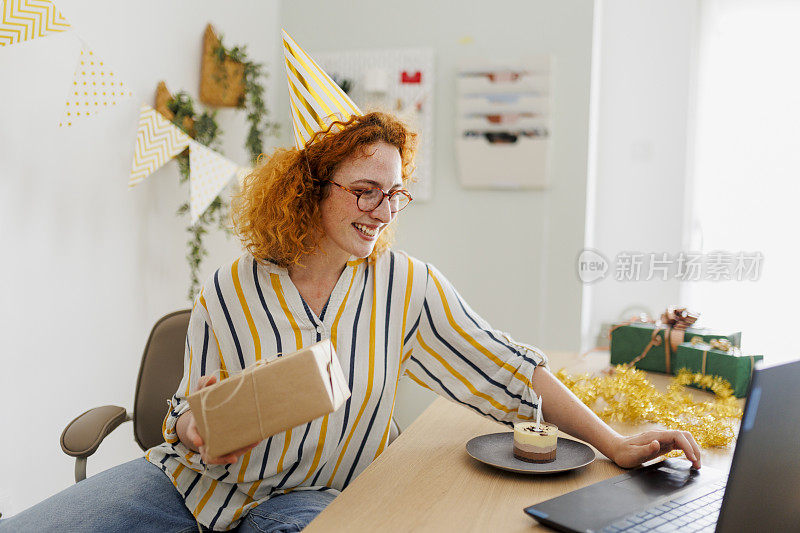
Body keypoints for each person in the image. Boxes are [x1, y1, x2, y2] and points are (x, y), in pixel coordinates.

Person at [1, 33, 701, 533]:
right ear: (310, 188)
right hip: (188, 488)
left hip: (311, 501)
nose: (383, 212)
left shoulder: (407, 287)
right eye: (366, 191)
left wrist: (615, 442)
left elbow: (511, 369)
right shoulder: (230, 285)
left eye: (395, 195)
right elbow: (185, 414)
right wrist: (194, 424)